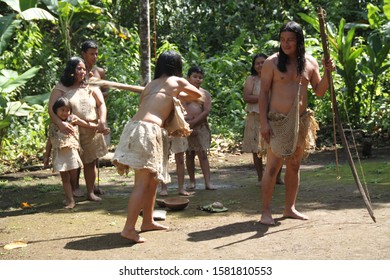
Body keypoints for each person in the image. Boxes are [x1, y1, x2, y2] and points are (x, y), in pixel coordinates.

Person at [112, 50, 204, 243]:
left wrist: (173, 96)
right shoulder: (176, 81)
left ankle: (148, 220)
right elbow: (198, 94)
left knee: (154, 179)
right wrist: (178, 93)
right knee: (143, 182)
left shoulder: (149, 86)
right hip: (148, 130)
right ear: (177, 67)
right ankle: (129, 228)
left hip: (136, 127)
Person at [259, 21, 335, 225]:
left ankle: (289, 208)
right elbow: (264, 94)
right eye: (283, 40)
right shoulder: (271, 63)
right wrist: (263, 123)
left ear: (299, 41)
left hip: (300, 122)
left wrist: (328, 73)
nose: (286, 44)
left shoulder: (310, 63)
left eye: (290, 40)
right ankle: (265, 212)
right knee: (273, 167)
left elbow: (319, 92)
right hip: (277, 121)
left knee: (294, 165)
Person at [48, 56, 110, 202]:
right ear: (71, 70)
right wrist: (61, 124)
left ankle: (90, 192)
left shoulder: (91, 85)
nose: (82, 71)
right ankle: (72, 191)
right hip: (70, 131)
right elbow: (51, 110)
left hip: (91, 129)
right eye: (79, 68)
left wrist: (101, 120)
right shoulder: (61, 88)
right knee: (72, 163)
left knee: (90, 161)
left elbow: (101, 104)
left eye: (83, 69)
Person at [47, 97, 98, 208]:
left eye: (67, 110)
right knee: (65, 178)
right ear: (56, 111)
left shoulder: (73, 119)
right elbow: (49, 141)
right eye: (62, 110)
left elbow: (85, 124)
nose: (65, 113)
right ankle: (70, 201)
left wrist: (98, 126)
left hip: (72, 154)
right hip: (60, 154)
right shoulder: (53, 125)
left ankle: (72, 194)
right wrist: (46, 157)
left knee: (73, 177)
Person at [242, 54, 283, 184]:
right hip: (255, 116)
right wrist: (264, 98)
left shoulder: (275, 77)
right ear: (254, 66)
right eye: (257, 63)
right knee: (256, 148)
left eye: (263, 62)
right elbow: (247, 97)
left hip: (272, 116)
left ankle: (277, 177)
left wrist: (262, 98)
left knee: (277, 147)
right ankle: (260, 177)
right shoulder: (251, 79)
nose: (260, 65)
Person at [184, 66, 215, 190]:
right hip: (185, 127)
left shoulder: (205, 94)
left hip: (201, 127)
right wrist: (187, 124)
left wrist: (195, 123)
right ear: (188, 78)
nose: (198, 79)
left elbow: (206, 111)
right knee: (189, 155)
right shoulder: (182, 93)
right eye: (195, 77)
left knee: (202, 154)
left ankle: (208, 182)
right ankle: (192, 182)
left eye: (200, 77)